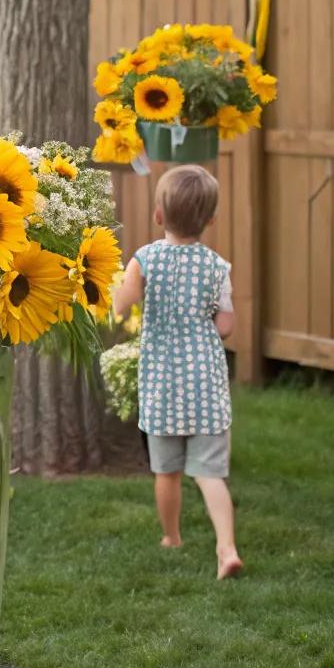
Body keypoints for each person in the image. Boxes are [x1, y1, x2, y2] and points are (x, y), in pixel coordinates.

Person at [113, 163, 242, 580]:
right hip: (205, 381)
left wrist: (122, 294)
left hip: (163, 383)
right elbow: (225, 326)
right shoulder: (217, 267)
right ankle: (226, 547)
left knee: (166, 471)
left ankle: (172, 536)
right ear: (210, 221)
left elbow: (122, 303)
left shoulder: (145, 259)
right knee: (209, 472)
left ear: (158, 215)